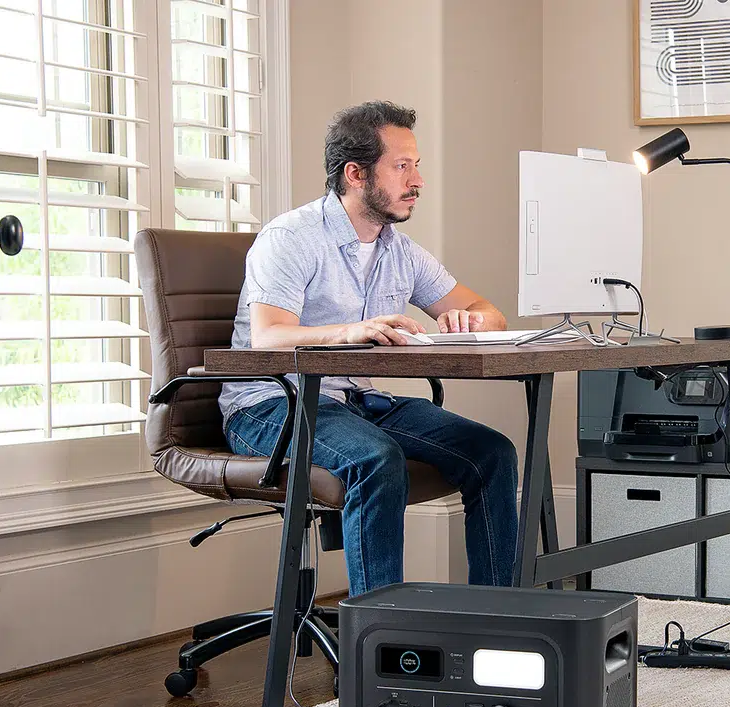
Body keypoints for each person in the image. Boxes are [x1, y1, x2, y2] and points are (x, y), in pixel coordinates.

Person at [218, 100, 519, 596]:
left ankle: (498, 617)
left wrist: (472, 318)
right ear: (356, 174)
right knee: (377, 460)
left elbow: (490, 312)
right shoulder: (291, 238)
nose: (418, 180)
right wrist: (349, 330)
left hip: (355, 401)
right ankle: (378, 634)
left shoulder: (399, 250)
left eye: (416, 165)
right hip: (272, 405)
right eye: (402, 167)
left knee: (492, 453)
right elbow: (267, 337)